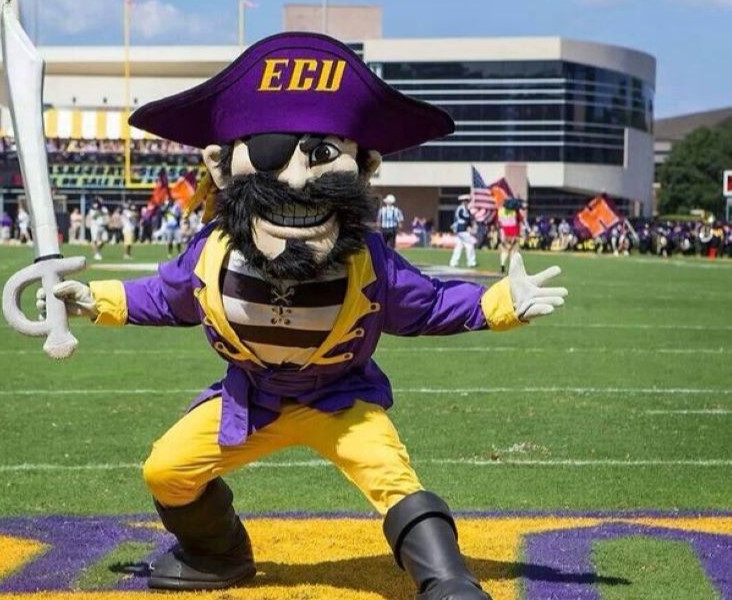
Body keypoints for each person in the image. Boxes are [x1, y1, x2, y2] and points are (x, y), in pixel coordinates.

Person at [39, 32, 567, 600]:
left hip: (339, 400)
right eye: (270, 150)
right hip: (249, 400)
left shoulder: (367, 261)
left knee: (392, 479)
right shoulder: (212, 254)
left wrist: (500, 303)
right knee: (166, 470)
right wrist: (92, 299)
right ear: (221, 166)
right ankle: (217, 553)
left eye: (321, 154)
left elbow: (430, 303)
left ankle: (448, 582)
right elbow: (164, 296)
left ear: (365, 168)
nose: (293, 179)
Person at [449, 194, 477, 268]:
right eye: (466, 201)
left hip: (461, 229)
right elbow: (461, 216)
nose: (467, 202)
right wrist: (470, 218)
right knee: (469, 245)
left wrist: (471, 223)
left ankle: (453, 262)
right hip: (462, 229)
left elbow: (469, 219)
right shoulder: (461, 208)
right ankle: (471, 262)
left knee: (459, 246)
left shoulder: (466, 209)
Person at [496, 198, 522, 273]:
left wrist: (501, 234)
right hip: (514, 234)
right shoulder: (515, 211)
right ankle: (512, 269)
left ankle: (502, 266)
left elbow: (498, 223)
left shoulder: (500, 211)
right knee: (513, 252)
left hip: (504, 233)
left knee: (504, 251)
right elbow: (520, 220)